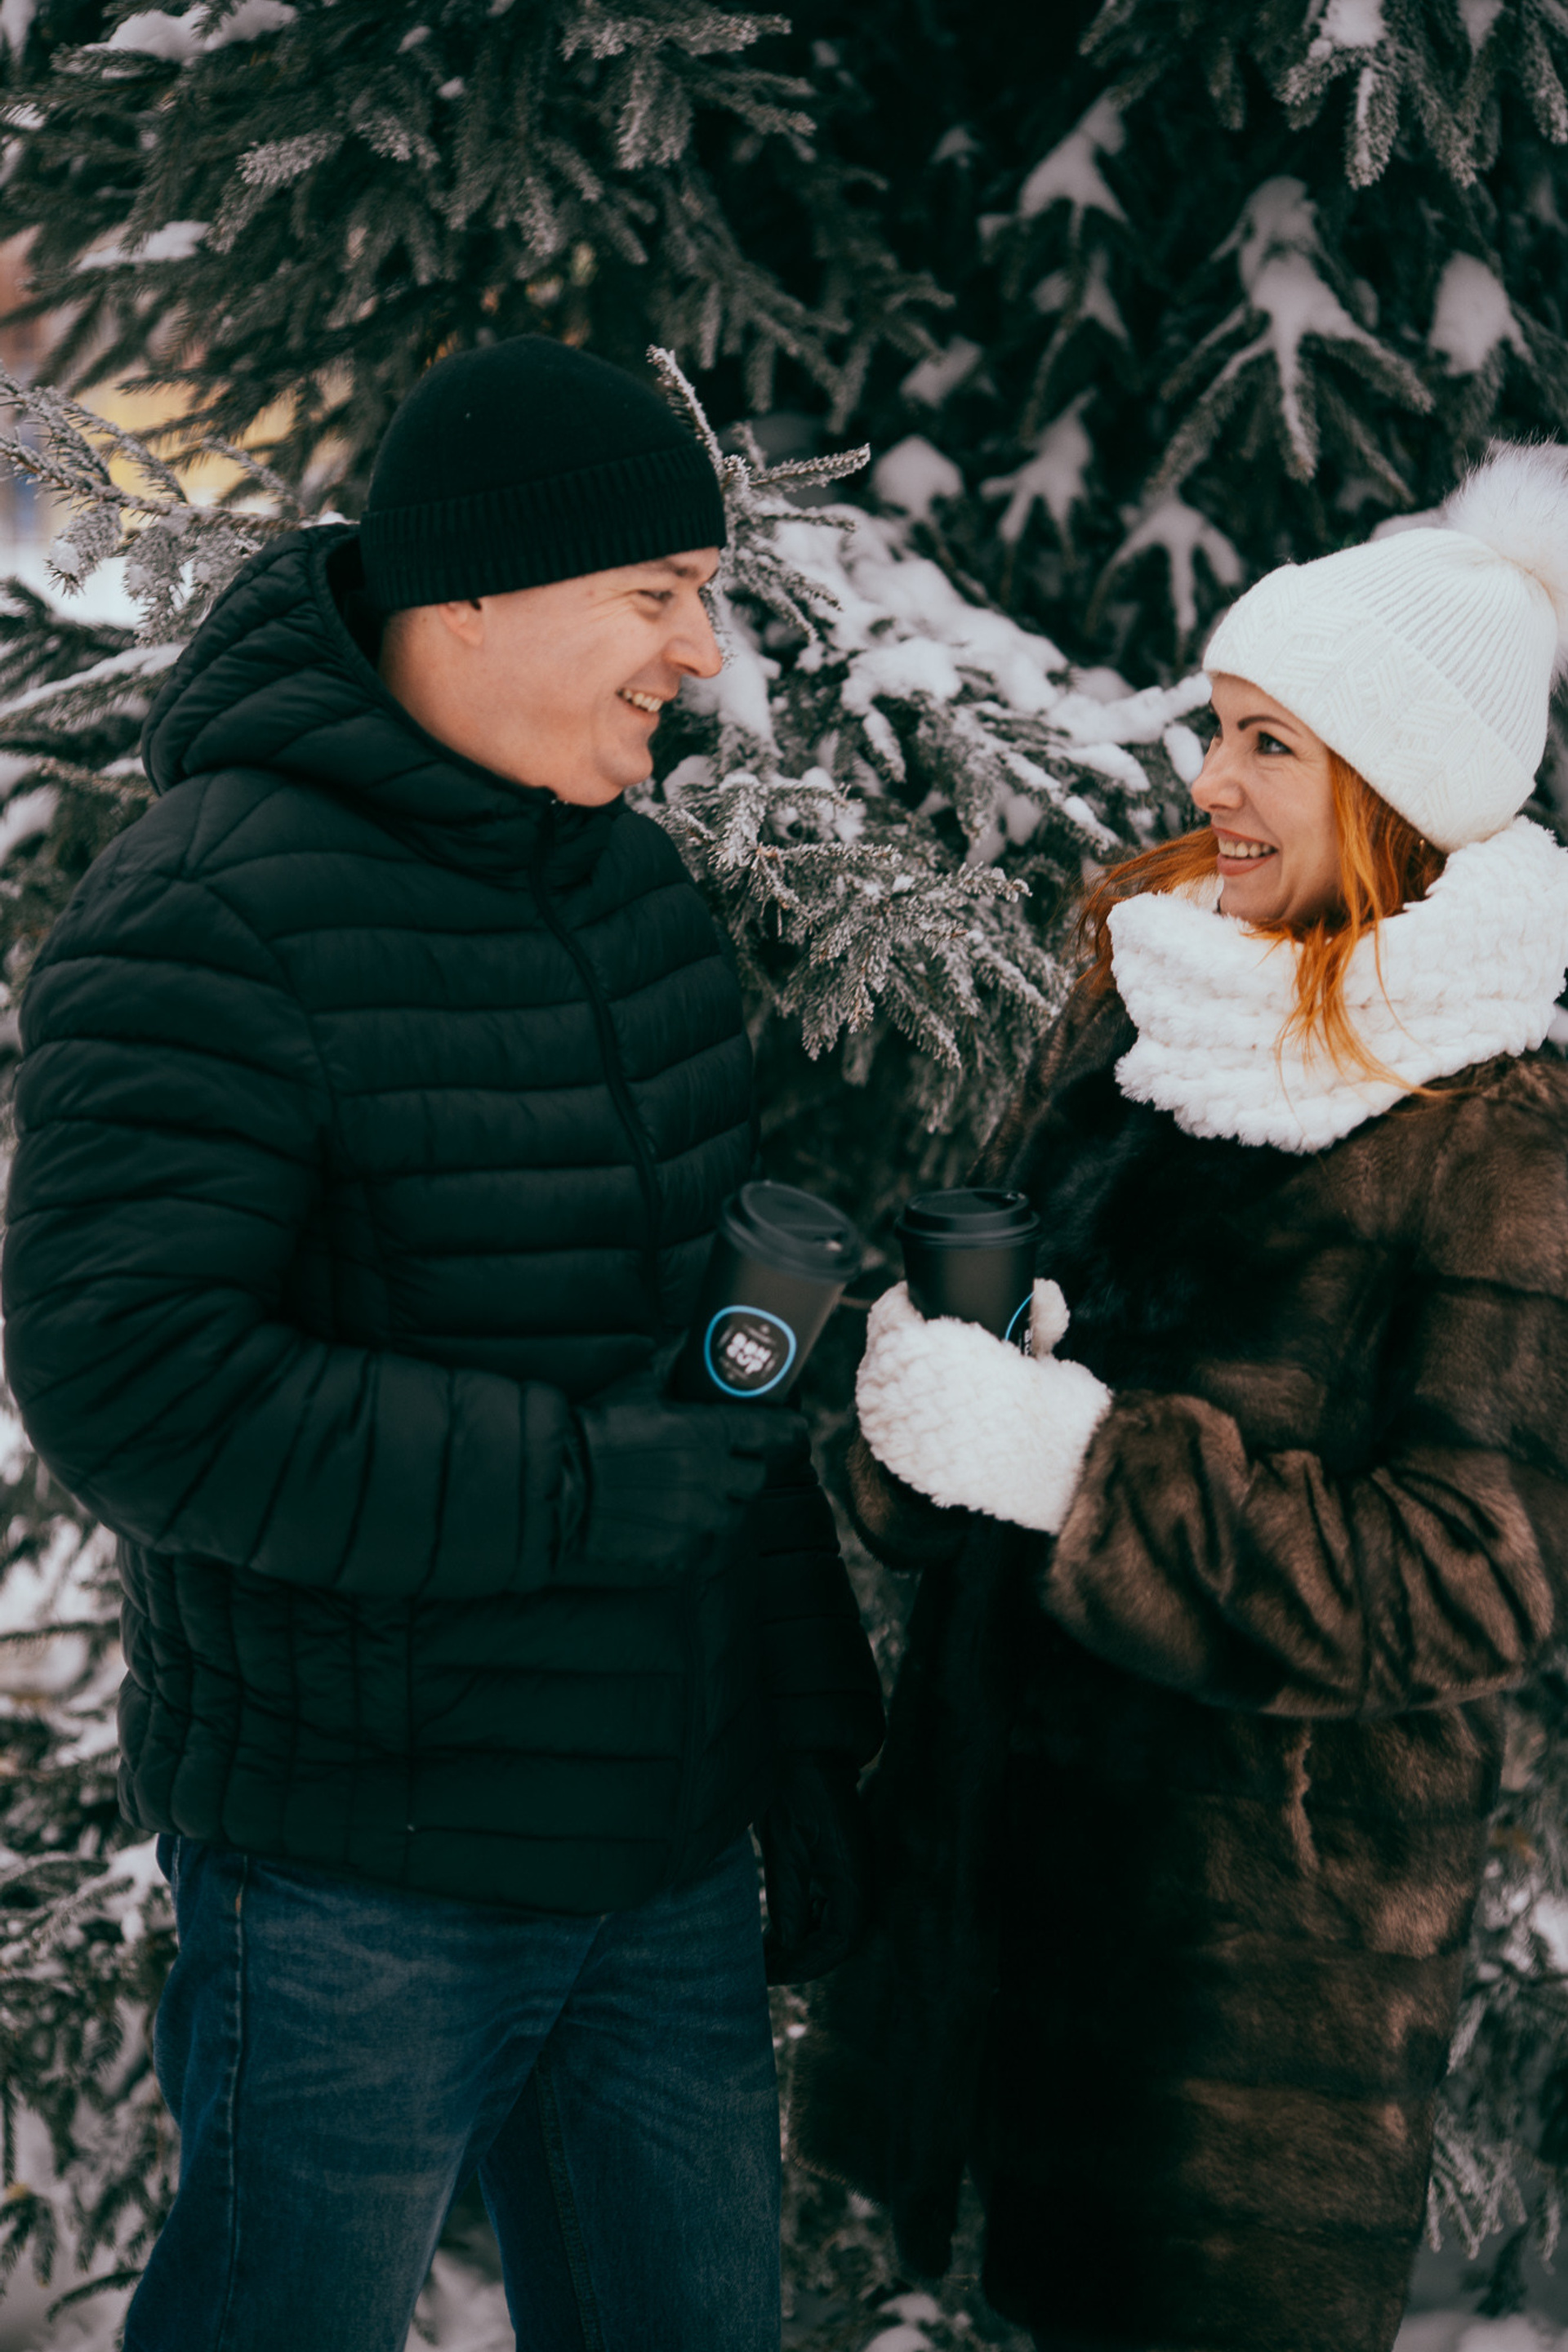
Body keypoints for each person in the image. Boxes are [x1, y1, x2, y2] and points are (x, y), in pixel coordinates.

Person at [1, 336, 884, 2352]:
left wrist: (802, 1731)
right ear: (472, 595)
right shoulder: (210, 911)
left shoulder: (635, 894)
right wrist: (572, 1484)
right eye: (656, 595)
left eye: (708, 596)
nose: (698, 650)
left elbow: (717, 1372)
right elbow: (133, 1383)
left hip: (664, 1868)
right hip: (356, 1879)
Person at [795, 443, 1568, 2352]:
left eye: (1267, 745)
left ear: (1394, 788)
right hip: (972, 1957)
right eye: (1217, 729)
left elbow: (1471, 1586)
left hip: (1232, 2039)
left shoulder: (1500, 1145)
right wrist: (930, 1412)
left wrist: (1081, 1468)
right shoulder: (1153, 1032)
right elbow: (1004, 1449)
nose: (1205, 783)